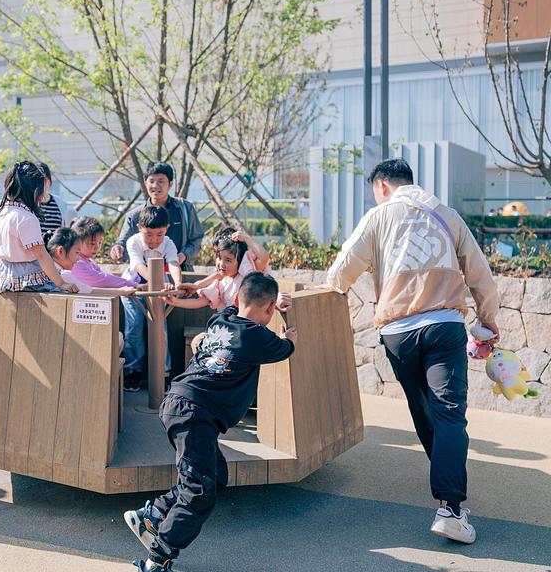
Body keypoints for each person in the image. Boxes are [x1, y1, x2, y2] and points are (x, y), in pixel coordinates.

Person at [324, 157, 500, 544]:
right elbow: (480, 273)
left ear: (382, 186)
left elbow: (338, 275)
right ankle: (450, 507)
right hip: (443, 326)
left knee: (423, 410)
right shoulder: (447, 214)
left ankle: (447, 492)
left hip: (398, 332)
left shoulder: (378, 216)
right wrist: (487, 321)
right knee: (450, 413)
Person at [123, 272, 296, 571]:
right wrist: (287, 328)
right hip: (195, 414)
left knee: (213, 477)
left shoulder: (220, 319)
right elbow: (285, 347)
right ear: (269, 309)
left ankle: (152, 514)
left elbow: (230, 303)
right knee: (198, 493)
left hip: (178, 402)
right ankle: (157, 559)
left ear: (240, 298)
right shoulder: (258, 338)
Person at [121, 205, 183, 391]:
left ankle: (163, 372)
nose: (154, 240)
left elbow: (173, 263)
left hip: (159, 288)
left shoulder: (168, 243)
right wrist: (159, 284)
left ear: (167, 229)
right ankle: (133, 371)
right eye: (149, 234)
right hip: (135, 286)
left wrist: (178, 284)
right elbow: (139, 267)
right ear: (139, 227)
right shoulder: (133, 242)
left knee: (160, 328)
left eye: (160, 234)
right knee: (134, 328)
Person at [0, 160, 77, 293]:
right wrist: (61, 283)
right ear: (35, 191)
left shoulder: (2, 216)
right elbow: (42, 255)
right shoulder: (26, 218)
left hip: (5, 278)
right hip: (27, 280)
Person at [110, 162, 203, 271]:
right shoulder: (135, 215)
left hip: (180, 270)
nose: (155, 186)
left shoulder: (185, 208)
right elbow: (124, 242)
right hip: (145, 275)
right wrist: (117, 249)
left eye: (161, 181)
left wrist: (184, 255)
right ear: (145, 183)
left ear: (170, 184)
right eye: (151, 181)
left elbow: (196, 239)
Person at [166, 227, 270, 311]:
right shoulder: (221, 283)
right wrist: (175, 301)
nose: (221, 264)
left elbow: (264, 258)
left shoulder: (248, 273)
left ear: (240, 261)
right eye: (219, 258)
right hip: (230, 328)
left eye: (228, 260)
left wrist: (247, 238)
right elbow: (200, 301)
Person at [0, 162, 72, 242]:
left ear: (49, 182)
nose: (40, 187)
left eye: (43, 181)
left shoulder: (60, 204)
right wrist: (1, 243)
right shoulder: (14, 204)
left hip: (54, 259)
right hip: (30, 259)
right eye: (36, 183)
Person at [47, 227, 136, 297]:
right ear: (60, 251)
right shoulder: (64, 275)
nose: (78, 259)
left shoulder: (48, 271)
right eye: (77, 252)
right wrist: (122, 291)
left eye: (100, 243)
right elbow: (90, 291)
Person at [70, 216, 140, 291]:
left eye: (100, 243)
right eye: (92, 243)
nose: (97, 247)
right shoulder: (76, 262)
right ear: (77, 242)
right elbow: (101, 279)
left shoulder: (88, 261)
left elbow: (104, 276)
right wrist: (131, 284)